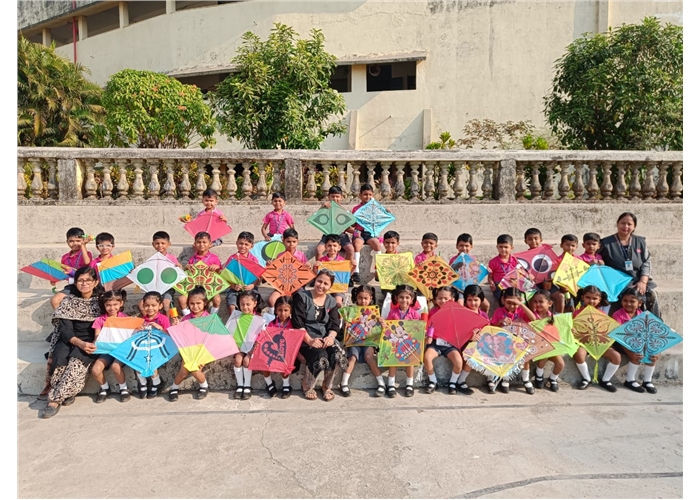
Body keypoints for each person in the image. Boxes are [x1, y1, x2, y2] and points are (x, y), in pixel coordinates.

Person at [42, 266, 102, 419]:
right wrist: (79, 343)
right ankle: (68, 393)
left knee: (75, 366)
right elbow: (65, 329)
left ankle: (53, 401)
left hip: (90, 341)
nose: (84, 283)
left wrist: (92, 342)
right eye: (80, 280)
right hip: (69, 339)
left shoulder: (101, 302)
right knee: (59, 363)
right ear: (75, 283)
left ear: (95, 282)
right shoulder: (68, 302)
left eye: (88, 280)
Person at [292, 269, 347, 401]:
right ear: (314, 281)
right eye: (319, 281)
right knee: (320, 356)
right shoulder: (302, 297)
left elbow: (334, 324)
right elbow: (297, 322)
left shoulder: (331, 302)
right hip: (305, 338)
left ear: (330, 286)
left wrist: (331, 337)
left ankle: (327, 385)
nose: (321, 285)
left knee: (337, 355)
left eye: (325, 283)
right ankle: (307, 384)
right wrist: (310, 340)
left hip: (325, 338)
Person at [599, 212, 661, 318]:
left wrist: (643, 281)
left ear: (634, 226)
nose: (626, 226)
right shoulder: (605, 243)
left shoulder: (640, 242)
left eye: (629, 224)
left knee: (652, 295)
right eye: (623, 223)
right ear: (617, 224)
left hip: (637, 279)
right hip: (616, 283)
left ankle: (653, 323)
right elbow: (598, 261)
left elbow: (646, 262)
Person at [572, 285, 621, 392]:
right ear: (583, 297)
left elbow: (606, 331)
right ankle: (586, 378)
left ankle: (606, 380)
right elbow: (573, 329)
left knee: (616, 357)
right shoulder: (576, 313)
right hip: (583, 342)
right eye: (588, 297)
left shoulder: (602, 314)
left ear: (599, 299)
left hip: (599, 342)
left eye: (595, 298)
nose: (591, 301)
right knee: (579, 355)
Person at [490, 287, 537, 394]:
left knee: (526, 356)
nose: (512, 306)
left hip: (520, 341)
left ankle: (525, 379)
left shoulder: (521, 311)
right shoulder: (499, 311)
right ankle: (506, 378)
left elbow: (533, 318)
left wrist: (521, 305)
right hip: (503, 341)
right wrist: (500, 321)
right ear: (503, 300)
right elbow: (492, 328)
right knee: (506, 353)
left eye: (515, 303)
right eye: (509, 303)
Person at [612, 288, 659, 394]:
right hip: (621, 343)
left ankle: (647, 381)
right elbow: (618, 336)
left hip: (637, 341)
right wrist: (630, 351)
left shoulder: (643, 315)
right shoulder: (617, 315)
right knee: (637, 353)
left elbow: (648, 333)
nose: (628, 304)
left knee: (653, 352)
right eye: (625, 300)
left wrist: (655, 350)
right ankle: (630, 380)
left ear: (640, 303)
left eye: (632, 301)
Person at [168, 287, 211, 401]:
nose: (195, 306)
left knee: (194, 370)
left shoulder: (209, 319)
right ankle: (174, 388)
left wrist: (203, 359)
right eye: (192, 303)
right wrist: (176, 326)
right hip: (189, 350)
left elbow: (212, 339)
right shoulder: (186, 318)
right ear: (188, 304)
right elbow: (181, 335)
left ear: (205, 303)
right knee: (183, 372)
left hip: (203, 351)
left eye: (198, 303)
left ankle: (204, 386)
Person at [340, 285, 384, 397]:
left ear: (371, 298)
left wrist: (382, 323)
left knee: (369, 357)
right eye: (360, 298)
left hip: (369, 340)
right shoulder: (351, 311)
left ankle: (381, 383)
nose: (363, 301)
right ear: (356, 297)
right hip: (354, 340)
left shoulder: (374, 312)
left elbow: (380, 328)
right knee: (352, 358)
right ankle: (344, 383)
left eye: (366, 298)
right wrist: (346, 325)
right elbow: (345, 327)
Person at [91, 289, 131, 403]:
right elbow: (97, 336)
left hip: (121, 350)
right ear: (104, 305)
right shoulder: (100, 320)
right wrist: (95, 342)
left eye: (115, 304)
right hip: (106, 351)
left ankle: (123, 388)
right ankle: (104, 388)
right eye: (108, 305)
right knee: (95, 370)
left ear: (121, 304)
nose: (112, 308)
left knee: (116, 366)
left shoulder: (125, 319)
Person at [382, 284, 422, 397]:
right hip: (395, 344)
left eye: (407, 297)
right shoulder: (393, 312)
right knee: (393, 360)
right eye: (401, 297)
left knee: (411, 361)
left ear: (412, 299)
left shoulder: (414, 314)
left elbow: (417, 330)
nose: (404, 300)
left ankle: (409, 384)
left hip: (408, 344)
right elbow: (388, 327)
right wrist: (384, 325)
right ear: (396, 298)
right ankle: (391, 384)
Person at [423, 286, 464, 395]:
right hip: (435, 344)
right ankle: (433, 381)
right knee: (427, 357)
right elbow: (430, 325)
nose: (443, 301)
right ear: (435, 299)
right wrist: (429, 336)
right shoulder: (433, 311)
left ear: (452, 299)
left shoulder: (456, 312)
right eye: (440, 298)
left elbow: (460, 327)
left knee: (458, 362)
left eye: (446, 298)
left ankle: (453, 382)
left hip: (450, 345)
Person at [454, 284, 490, 395]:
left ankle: (491, 379)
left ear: (481, 300)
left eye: (476, 300)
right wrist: (469, 337)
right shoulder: (462, 314)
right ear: (465, 300)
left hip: (479, 342)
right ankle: (460, 381)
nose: (473, 303)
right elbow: (457, 331)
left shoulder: (483, 315)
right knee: (472, 354)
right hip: (464, 343)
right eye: (469, 300)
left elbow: (487, 330)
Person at [230, 290, 264, 400]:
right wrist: (235, 346)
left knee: (246, 361)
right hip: (239, 347)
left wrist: (252, 349)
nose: (245, 307)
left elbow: (260, 337)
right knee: (238, 360)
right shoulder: (236, 317)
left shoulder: (259, 320)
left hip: (252, 349)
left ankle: (247, 385)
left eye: (248, 304)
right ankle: (240, 385)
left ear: (255, 303)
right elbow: (231, 332)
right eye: (242, 304)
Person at [178, 231, 222, 315]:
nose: (201, 244)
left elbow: (219, 274)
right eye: (199, 242)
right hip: (194, 287)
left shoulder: (214, 258)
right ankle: (189, 318)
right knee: (182, 299)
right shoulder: (192, 258)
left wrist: (217, 268)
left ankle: (212, 318)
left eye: (204, 242)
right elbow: (188, 274)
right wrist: (187, 267)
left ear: (210, 244)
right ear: (195, 244)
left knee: (217, 300)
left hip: (209, 286)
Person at [137, 291, 171, 398]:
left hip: (159, 346)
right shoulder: (142, 320)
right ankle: (142, 382)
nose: (150, 308)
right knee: (136, 359)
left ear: (160, 306)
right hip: (145, 346)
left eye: (153, 305)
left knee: (150, 359)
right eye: (147, 305)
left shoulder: (163, 319)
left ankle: (156, 382)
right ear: (143, 306)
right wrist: (139, 329)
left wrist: (160, 328)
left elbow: (169, 336)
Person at [528, 289, 564, 392]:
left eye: (541, 301)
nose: (537, 304)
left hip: (552, 347)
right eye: (535, 301)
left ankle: (553, 379)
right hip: (537, 346)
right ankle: (539, 374)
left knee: (560, 364)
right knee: (545, 354)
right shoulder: (532, 316)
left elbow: (559, 332)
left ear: (550, 303)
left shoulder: (554, 318)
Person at [138, 231, 181, 315]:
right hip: (153, 288)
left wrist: (179, 267)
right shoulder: (151, 259)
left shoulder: (172, 258)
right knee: (141, 305)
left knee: (166, 304)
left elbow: (178, 271)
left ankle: (166, 321)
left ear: (169, 244)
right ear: (153, 244)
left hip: (167, 288)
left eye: (163, 243)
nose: (160, 245)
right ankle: (149, 320)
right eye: (157, 243)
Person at [524, 227, 565, 314]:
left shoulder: (547, 252)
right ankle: (534, 319)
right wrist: (528, 276)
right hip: (533, 284)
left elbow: (553, 267)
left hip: (548, 283)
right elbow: (522, 272)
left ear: (541, 240)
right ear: (525, 241)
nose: (533, 241)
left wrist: (551, 279)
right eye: (530, 239)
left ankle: (558, 318)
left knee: (560, 296)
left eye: (536, 238)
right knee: (531, 298)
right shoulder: (524, 257)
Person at [314, 186, 356, 270]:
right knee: (319, 250)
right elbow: (316, 217)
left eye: (337, 196)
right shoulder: (326, 208)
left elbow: (350, 225)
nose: (335, 199)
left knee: (351, 250)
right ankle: (321, 271)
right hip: (328, 235)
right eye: (332, 196)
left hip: (342, 235)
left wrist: (355, 231)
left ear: (341, 197)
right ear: (328, 197)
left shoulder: (344, 211)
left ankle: (345, 271)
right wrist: (322, 207)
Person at [50, 227, 93, 309]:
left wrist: (83, 245)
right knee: (55, 300)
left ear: (83, 240)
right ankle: (60, 317)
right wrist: (54, 279)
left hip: (85, 285)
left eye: (78, 241)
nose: (75, 243)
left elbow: (87, 262)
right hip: (73, 285)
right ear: (67, 242)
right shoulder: (65, 257)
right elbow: (64, 273)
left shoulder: (86, 254)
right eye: (71, 241)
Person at [350, 184, 384, 285]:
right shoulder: (356, 209)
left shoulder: (375, 208)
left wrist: (386, 211)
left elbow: (380, 219)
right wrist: (353, 222)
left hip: (370, 233)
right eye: (365, 194)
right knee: (357, 244)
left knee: (377, 244)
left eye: (370, 194)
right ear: (360, 195)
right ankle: (356, 271)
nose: (367, 197)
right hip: (359, 233)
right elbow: (353, 224)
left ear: (372, 195)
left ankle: (378, 270)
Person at [267, 228, 310, 307]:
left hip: (297, 285)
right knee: (272, 300)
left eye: (294, 241)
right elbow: (276, 272)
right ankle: (274, 315)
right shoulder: (280, 255)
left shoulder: (301, 256)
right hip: (282, 285)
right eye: (288, 241)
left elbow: (306, 274)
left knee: (301, 298)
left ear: (297, 242)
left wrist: (308, 267)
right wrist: (270, 266)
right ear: (283, 241)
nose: (291, 244)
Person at [449, 233, 490, 314]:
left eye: (467, 246)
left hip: (471, 288)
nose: (464, 248)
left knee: (486, 305)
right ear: (457, 246)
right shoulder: (454, 260)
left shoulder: (473, 259)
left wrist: (485, 270)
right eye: (461, 245)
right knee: (460, 304)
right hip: (459, 289)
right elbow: (450, 275)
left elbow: (476, 273)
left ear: (471, 247)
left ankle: (483, 319)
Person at [267, 296, 298, 399]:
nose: (282, 313)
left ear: (291, 311)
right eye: (280, 310)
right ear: (275, 310)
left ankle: (286, 385)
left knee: (283, 361)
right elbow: (267, 338)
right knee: (264, 361)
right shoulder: (271, 324)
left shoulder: (294, 324)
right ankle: (269, 383)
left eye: (286, 310)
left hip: (287, 351)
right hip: (273, 350)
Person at [223, 231, 260, 315]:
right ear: (236, 243)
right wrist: (233, 286)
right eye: (241, 243)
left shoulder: (253, 259)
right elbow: (226, 276)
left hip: (250, 288)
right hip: (234, 288)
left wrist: (252, 285)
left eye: (246, 244)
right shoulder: (232, 259)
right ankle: (234, 322)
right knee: (232, 307)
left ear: (251, 246)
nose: (243, 246)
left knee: (252, 304)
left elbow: (257, 276)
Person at [314, 233, 347, 308]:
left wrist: (353, 267)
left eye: (334, 246)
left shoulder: (342, 261)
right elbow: (317, 275)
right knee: (324, 302)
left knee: (338, 302)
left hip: (338, 287)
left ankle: (337, 314)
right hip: (325, 287)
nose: (332, 248)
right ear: (325, 247)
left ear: (339, 248)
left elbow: (346, 277)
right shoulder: (322, 260)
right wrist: (315, 268)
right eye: (329, 245)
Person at [487, 234, 519, 306]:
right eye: (501, 247)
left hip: (512, 283)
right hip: (499, 285)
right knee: (503, 299)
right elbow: (490, 276)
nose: (503, 249)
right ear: (497, 247)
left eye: (506, 247)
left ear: (512, 247)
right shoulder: (493, 262)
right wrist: (491, 283)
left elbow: (520, 274)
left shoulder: (516, 260)